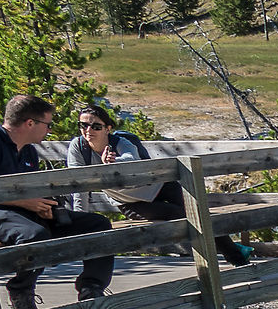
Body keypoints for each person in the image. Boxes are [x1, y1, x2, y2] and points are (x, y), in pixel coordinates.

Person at [0, 94, 115, 309]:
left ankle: (91, 289)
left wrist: (44, 206)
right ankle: (21, 289)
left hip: (23, 213)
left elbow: (29, 189)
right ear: (30, 123)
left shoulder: (28, 149)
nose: (49, 130)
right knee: (34, 236)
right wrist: (24, 202)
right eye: (47, 124)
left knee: (98, 224)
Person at [65, 104, 255, 266]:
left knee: (198, 211)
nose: (88, 131)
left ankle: (236, 258)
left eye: (95, 126)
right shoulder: (78, 148)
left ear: (108, 128)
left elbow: (133, 160)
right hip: (130, 202)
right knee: (177, 214)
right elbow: (78, 184)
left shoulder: (120, 142)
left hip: (160, 186)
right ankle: (232, 253)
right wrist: (81, 221)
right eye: (83, 125)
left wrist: (113, 163)